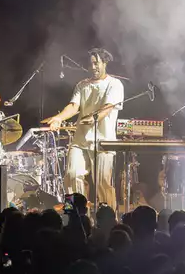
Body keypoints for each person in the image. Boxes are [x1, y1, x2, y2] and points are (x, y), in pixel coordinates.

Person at [41, 48, 124, 208]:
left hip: (103, 142)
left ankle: (108, 219)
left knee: (103, 183)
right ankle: (76, 214)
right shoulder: (82, 85)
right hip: (80, 140)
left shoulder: (114, 84)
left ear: (104, 63)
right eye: (90, 64)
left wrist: (92, 119)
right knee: (72, 175)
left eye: (96, 63)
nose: (93, 67)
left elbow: (107, 108)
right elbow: (73, 106)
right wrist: (58, 118)